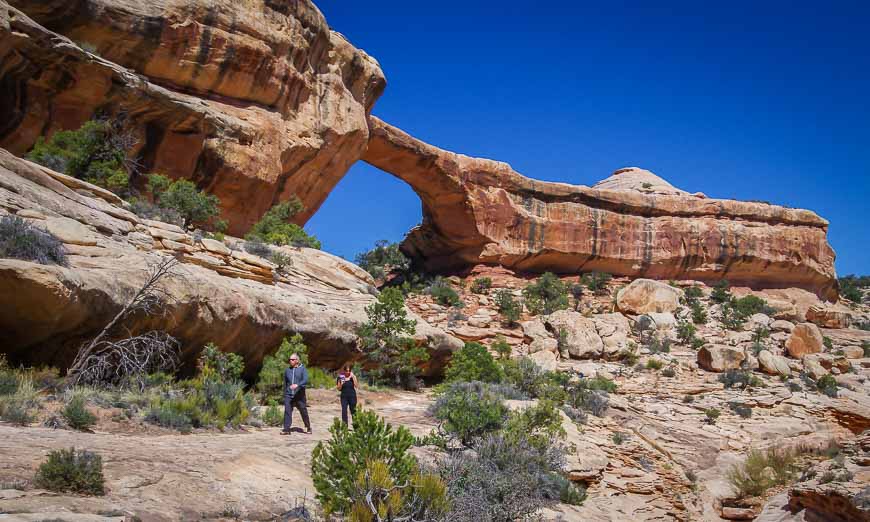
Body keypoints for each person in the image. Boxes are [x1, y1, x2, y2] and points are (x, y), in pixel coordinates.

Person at [282, 353, 311, 435]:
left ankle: (308, 427)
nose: (290, 361)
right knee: (287, 411)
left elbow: (305, 380)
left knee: (303, 411)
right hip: (289, 395)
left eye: (292, 359)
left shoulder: (303, 369)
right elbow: (285, 383)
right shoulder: (287, 370)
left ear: (297, 360)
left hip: (299, 395)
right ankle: (286, 429)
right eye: (290, 359)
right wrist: (285, 393)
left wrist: (297, 385)